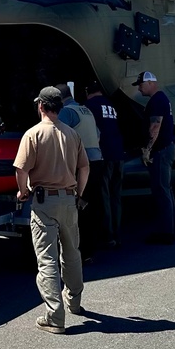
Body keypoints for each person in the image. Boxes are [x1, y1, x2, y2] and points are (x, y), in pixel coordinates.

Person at [13, 86, 89, 335]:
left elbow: (21, 170)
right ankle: (74, 301)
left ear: (41, 107)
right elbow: (84, 168)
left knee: (47, 259)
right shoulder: (72, 134)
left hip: (44, 202)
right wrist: (78, 193)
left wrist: (22, 191)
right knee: (72, 253)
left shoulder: (33, 134)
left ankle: (55, 317)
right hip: (69, 200)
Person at [55, 82, 104, 256]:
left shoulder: (66, 112)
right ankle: (92, 247)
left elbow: (56, 135)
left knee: (76, 207)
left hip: (81, 165)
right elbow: (97, 134)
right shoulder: (85, 110)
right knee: (90, 204)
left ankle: (80, 251)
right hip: (97, 161)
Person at [135, 70, 175, 244]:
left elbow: (155, 126)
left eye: (141, 84)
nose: (139, 88)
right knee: (165, 190)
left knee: (161, 191)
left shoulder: (157, 101)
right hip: (167, 148)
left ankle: (166, 233)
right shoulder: (161, 99)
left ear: (151, 83)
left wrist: (147, 150)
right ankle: (170, 228)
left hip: (161, 150)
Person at [85, 80, 125, 248]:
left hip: (105, 154)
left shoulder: (89, 106)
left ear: (88, 92)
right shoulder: (111, 105)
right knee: (116, 196)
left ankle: (108, 235)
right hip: (119, 153)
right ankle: (117, 232)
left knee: (104, 196)